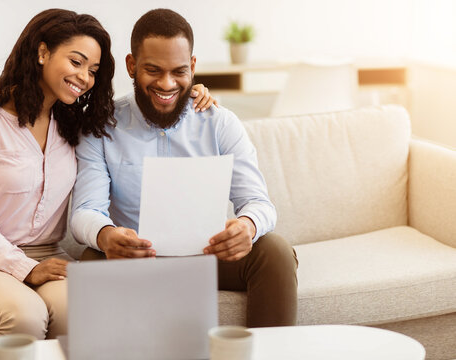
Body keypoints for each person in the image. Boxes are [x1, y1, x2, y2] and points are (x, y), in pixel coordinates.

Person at [0, 8, 216, 340]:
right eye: (76, 62)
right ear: (42, 52)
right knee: (25, 317)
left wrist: (191, 96)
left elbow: (156, 101)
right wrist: (25, 268)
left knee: (88, 315)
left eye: (93, 70)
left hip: (51, 255)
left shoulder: (74, 124)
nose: (85, 77)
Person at [71, 8, 298, 327]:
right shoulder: (102, 127)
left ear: (192, 67)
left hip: (209, 256)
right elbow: (84, 210)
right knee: (92, 260)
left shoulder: (219, 123)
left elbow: (260, 203)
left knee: (273, 250)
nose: (167, 83)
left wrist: (247, 226)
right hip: (136, 260)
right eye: (153, 70)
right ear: (132, 66)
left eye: (179, 71)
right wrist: (107, 235)